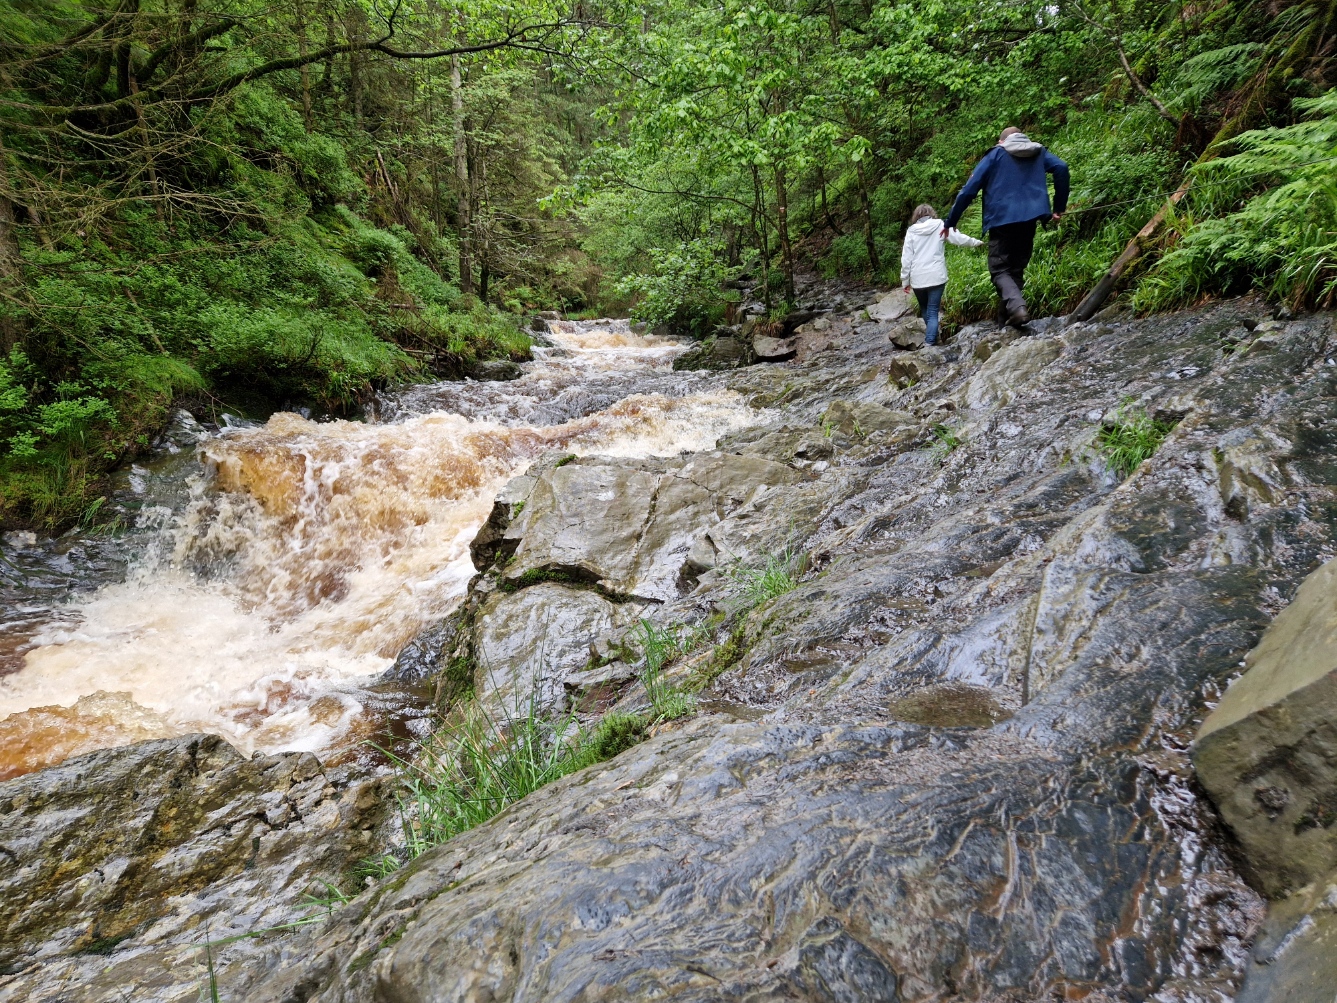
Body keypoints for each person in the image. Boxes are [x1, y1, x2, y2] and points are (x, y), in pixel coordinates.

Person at [944, 126, 1069, 327]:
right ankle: (1007, 322)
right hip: (1030, 218)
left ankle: (1018, 308)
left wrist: (951, 221)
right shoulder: (1038, 151)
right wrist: (1059, 207)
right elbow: (1061, 167)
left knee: (999, 270)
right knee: (1015, 269)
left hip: (1002, 219)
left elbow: (969, 190)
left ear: (1001, 141)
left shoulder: (996, 154)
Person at [900, 204, 982, 346]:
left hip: (918, 277)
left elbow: (906, 258)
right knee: (933, 311)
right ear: (932, 213)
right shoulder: (940, 225)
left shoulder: (911, 231)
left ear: (916, 216)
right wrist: (976, 242)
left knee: (925, 309)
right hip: (936, 275)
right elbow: (958, 238)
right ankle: (931, 341)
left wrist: (905, 281)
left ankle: (932, 339)